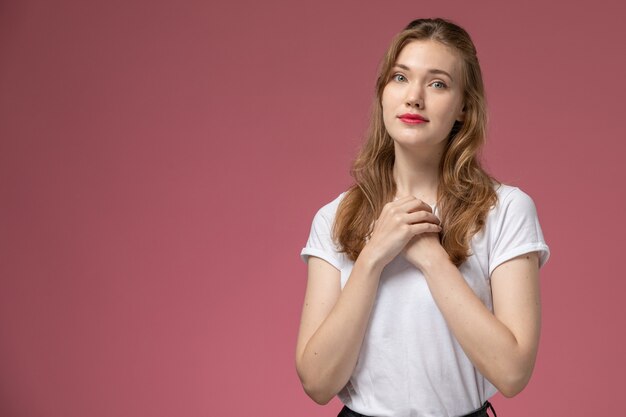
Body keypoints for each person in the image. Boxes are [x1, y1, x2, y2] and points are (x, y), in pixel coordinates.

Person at [295, 17, 550, 417]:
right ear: (382, 93)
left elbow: (513, 372)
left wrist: (430, 258)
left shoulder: (506, 210)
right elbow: (317, 382)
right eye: (400, 77)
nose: (414, 97)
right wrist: (374, 256)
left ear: (464, 107)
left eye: (437, 83)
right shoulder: (335, 217)